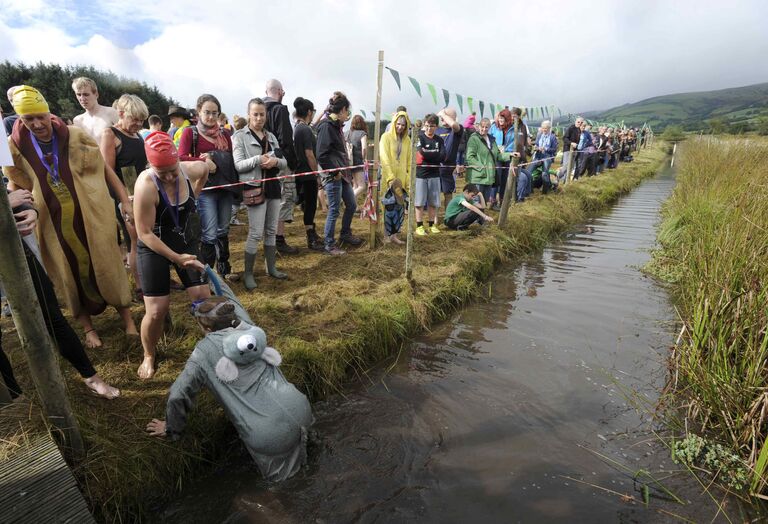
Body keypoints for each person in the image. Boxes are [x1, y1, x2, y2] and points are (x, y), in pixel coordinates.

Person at [4, 86, 136, 349]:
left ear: (48, 112)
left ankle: (128, 318)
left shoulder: (74, 136)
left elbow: (105, 170)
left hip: (91, 214)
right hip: (50, 222)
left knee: (107, 258)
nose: (38, 124)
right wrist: (17, 210)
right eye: (29, 119)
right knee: (66, 270)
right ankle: (88, 327)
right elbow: (15, 184)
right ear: (20, 119)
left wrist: (123, 199)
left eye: (41, 116)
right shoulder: (15, 147)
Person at [145, 276, 313, 482]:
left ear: (206, 328)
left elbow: (178, 395)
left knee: (287, 489)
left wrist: (171, 428)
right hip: (300, 408)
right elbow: (229, 295)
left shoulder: (203, 352)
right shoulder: (247, 325)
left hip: (269, 434)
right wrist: (208, 270)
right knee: (312, 460)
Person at [0, 187, 121, 399]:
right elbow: (7, 200)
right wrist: (5, 206)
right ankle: (13, 396)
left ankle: (91, 377)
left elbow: (12, 192)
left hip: (12, 249)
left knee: (52, 316)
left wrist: (29, 209)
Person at [133, 131, 210, 379]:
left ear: (178, 161)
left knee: (203, 297)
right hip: (153, 243)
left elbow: (205, 168)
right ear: (150, 166)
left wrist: (195, 195)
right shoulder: (145, 185)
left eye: (171, 171)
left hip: (183, 237)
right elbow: (144, 233)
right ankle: (149, 354)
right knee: (157, 309)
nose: (167, 176)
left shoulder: (190, 169)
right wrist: (176, 258)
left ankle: (215, 347)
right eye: (160, 172)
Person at [232, 98, 289, 290]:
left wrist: (275, 163)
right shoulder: (239, 136)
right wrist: (258, 159)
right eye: (255, 114)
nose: (258, 118)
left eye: (262, 114)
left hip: (273, 187)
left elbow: (284, 162)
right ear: (248, 114)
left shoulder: (271, 136)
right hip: (254, 188)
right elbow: (238, 165)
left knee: (271, 230)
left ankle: (271, 268)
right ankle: (248, 274)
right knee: (256, 233)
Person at [178, 94, 237, 279]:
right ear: (198, 112)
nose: (211, 117)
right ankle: (207, 276)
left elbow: (232, 158)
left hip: (225, 188)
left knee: (223, 230)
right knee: (209, 233)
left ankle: (224, 269)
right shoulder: (190, 132)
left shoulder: (226, 134)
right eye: (207, 112)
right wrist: (203, 161)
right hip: (205, 190)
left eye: (214, 113)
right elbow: (180, 157)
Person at [100, 94, 149, 295]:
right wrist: (123, 200)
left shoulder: (137, 136)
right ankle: (140, 286)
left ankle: (151, 277)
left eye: (141, 120)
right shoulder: (110, 134)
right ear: (121, 113)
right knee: (136, 241)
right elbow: (107, 170)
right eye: (134, 119)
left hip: (142, 194)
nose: (138, 123)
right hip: (125, 198)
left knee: (149, 237)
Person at [316, 92, 363, 255]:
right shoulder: (326, 126)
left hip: (342, 174)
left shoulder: (336, 126)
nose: (348, 115)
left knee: (351, 204)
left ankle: (345, 234)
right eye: (347, 111)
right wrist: (334, 171)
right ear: (342, 110)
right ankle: (329, 244)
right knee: (334, 209)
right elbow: (321, 154)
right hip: (333, 175)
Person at [264, 79, 299, 255]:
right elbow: (285, 138)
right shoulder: (280, 110)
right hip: (279, 161)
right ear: (280, 91)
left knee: (267, 201)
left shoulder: (258, 110)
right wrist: (292, 163)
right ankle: (279, 240)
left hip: (262, 161)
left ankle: (269, 240)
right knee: (282, 199)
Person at [293, 97, 324, 251]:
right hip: (307, 173)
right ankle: (310, 238)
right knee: (310, 206)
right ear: (309, 112)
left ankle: (313, 233)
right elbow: (309, 154)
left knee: (308, 205)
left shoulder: (297, 127)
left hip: (300, 172)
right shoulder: (304, 129)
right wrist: (316, 174)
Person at [379, 110, 412, 244]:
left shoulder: (408, 140)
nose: (400, 127)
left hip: (402, 181)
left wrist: (408, 179)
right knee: (388, 207)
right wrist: (391, 178)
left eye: (403, 125)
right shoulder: (385, 137)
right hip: (389, 179)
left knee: (399, 207)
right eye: (398, 124)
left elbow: (409, 160)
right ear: (394, 123)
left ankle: (394, 235)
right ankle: (386, 235)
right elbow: (384, 157)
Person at [464, 118, 513, 204]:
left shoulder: (492, 140)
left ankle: (481, 217)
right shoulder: (474, 139)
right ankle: (474, 217)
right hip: (477, 177)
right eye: (482, 127)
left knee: (484, 202)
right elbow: (470, 157)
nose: (484, 129)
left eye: (486, 127)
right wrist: (481, 166)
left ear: (489, 128)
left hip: (489, 177)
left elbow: (498, 155)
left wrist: (510, 155)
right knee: (476, 202)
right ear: (479, 126)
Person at [414, 114, 445, 236]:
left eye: (432, 126)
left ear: (436, 126)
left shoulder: (439, 140)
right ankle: (419, 226)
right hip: (421, 175)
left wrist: (430, 155)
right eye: (427, 126)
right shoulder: (419, 138)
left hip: (435, 175)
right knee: (419, 202)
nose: (429, 128)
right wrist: (434, 156)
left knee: (433, 202)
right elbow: (421, 154)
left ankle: (432, 225)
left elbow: (443, 156)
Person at [71, 77, 118, 142]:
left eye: (86, 94)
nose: (82, 98)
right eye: (78, 94)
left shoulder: (111, 113)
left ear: (96, 94)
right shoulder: (77, 120)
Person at [436, 108, 463, 211]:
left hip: (448, 169)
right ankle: (434, 221)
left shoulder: (457, 129)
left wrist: (443, 113)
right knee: (435, 194)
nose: (442, 118)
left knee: (448, 194)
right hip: (435, 167)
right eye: (442, 116)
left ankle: (448, 216)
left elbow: (453, 125)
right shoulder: (437, 130)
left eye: (446, 116)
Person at [524, 120, 558, 194]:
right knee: (528, 172)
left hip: (547, 157)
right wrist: (536, 147)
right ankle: (529, 190)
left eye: (545, 128)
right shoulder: (539, 134)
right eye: (543, 128)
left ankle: (545, 192)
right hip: (538, 156)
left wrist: (545, 149)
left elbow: (554, 149)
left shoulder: (552, 137)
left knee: (544, 174)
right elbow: (536, 144)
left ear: (549, 128)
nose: (544, 130)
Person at [346, 115, 368, 199]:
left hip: (349, 161)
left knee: (355, 185)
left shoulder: (347, 133)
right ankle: (348, 199)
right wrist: (364, 158)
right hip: (358, 162)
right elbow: (364, 148)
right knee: (362, 186)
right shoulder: (362, 134)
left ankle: (353, 206)